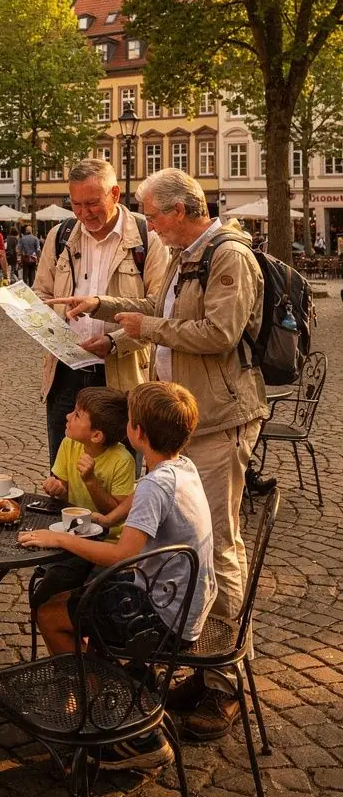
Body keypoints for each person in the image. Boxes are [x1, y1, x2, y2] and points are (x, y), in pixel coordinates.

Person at [65, 168, 267, 740]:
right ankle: (199, 659)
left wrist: (149, 324)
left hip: (219, 418)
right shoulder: (182, 253)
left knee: (220, 544)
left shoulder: (230, 256)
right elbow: (155, 308)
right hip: (185, 417)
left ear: (180, 210)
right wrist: (102, 306)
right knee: (188, 543)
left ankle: (223, 682)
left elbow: (218, 333)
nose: (148, 225)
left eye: (152, 216)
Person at [20, 381, 217, 771]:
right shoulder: (180, 465)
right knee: (81, 599)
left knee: (50, 612)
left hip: (164, 616)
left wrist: (58, 539)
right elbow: (136, 500)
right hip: (188, 602)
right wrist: (109, 517)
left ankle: (112, 717)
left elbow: (120, 554)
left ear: (136, 432)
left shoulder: (153, 486)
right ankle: (120, 692)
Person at [34, 158, 168, 463]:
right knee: (63, 467)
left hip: (120, 376)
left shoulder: (148, 239)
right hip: (65, 374)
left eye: (92, 203)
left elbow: (159, 312)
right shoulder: (60, 236)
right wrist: (47, 327)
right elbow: (41, 293)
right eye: (76, 204)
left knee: (120, 469)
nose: (84, 213)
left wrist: (113, 342)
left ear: (116, 194)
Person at [31, 387, 136, 654]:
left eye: (77, 415)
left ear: (97, 435)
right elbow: (63, 485)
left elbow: (113, 515)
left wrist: (91, 481)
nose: (67, 416)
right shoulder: (69, 444)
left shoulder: (122, 460)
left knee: (92, 600)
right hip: (75, 538)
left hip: (108, 544)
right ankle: (68, 660)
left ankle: (95, 667)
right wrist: (56, 487)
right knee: (45, 594)